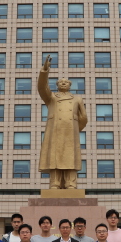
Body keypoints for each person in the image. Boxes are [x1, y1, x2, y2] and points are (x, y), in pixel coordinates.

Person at [38, 55, 88, 189]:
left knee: (70, 157)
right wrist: (44, 71)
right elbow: (42, 88)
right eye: (61, 82)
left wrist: (76, 129)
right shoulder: (51, 97)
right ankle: (55, 183)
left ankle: (71, 183)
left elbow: (84, 117)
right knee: (55, 157)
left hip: (71, 131)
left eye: (66, 82)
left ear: (70, 85)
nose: (64, 83)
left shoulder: (77, 99)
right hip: (55, 130)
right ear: (57, 85)